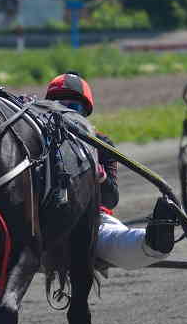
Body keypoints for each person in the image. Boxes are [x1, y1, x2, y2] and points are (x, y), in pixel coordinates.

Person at [45, 72, 178, 270]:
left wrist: (100, 177)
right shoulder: (38, 140)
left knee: (123, 243)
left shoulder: (101, 143)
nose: (66, 113)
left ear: (84, 111)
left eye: (73, 107)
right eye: (59, 106)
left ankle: (154, 242)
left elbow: (110, 199)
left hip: (92, 221)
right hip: (43, 223)